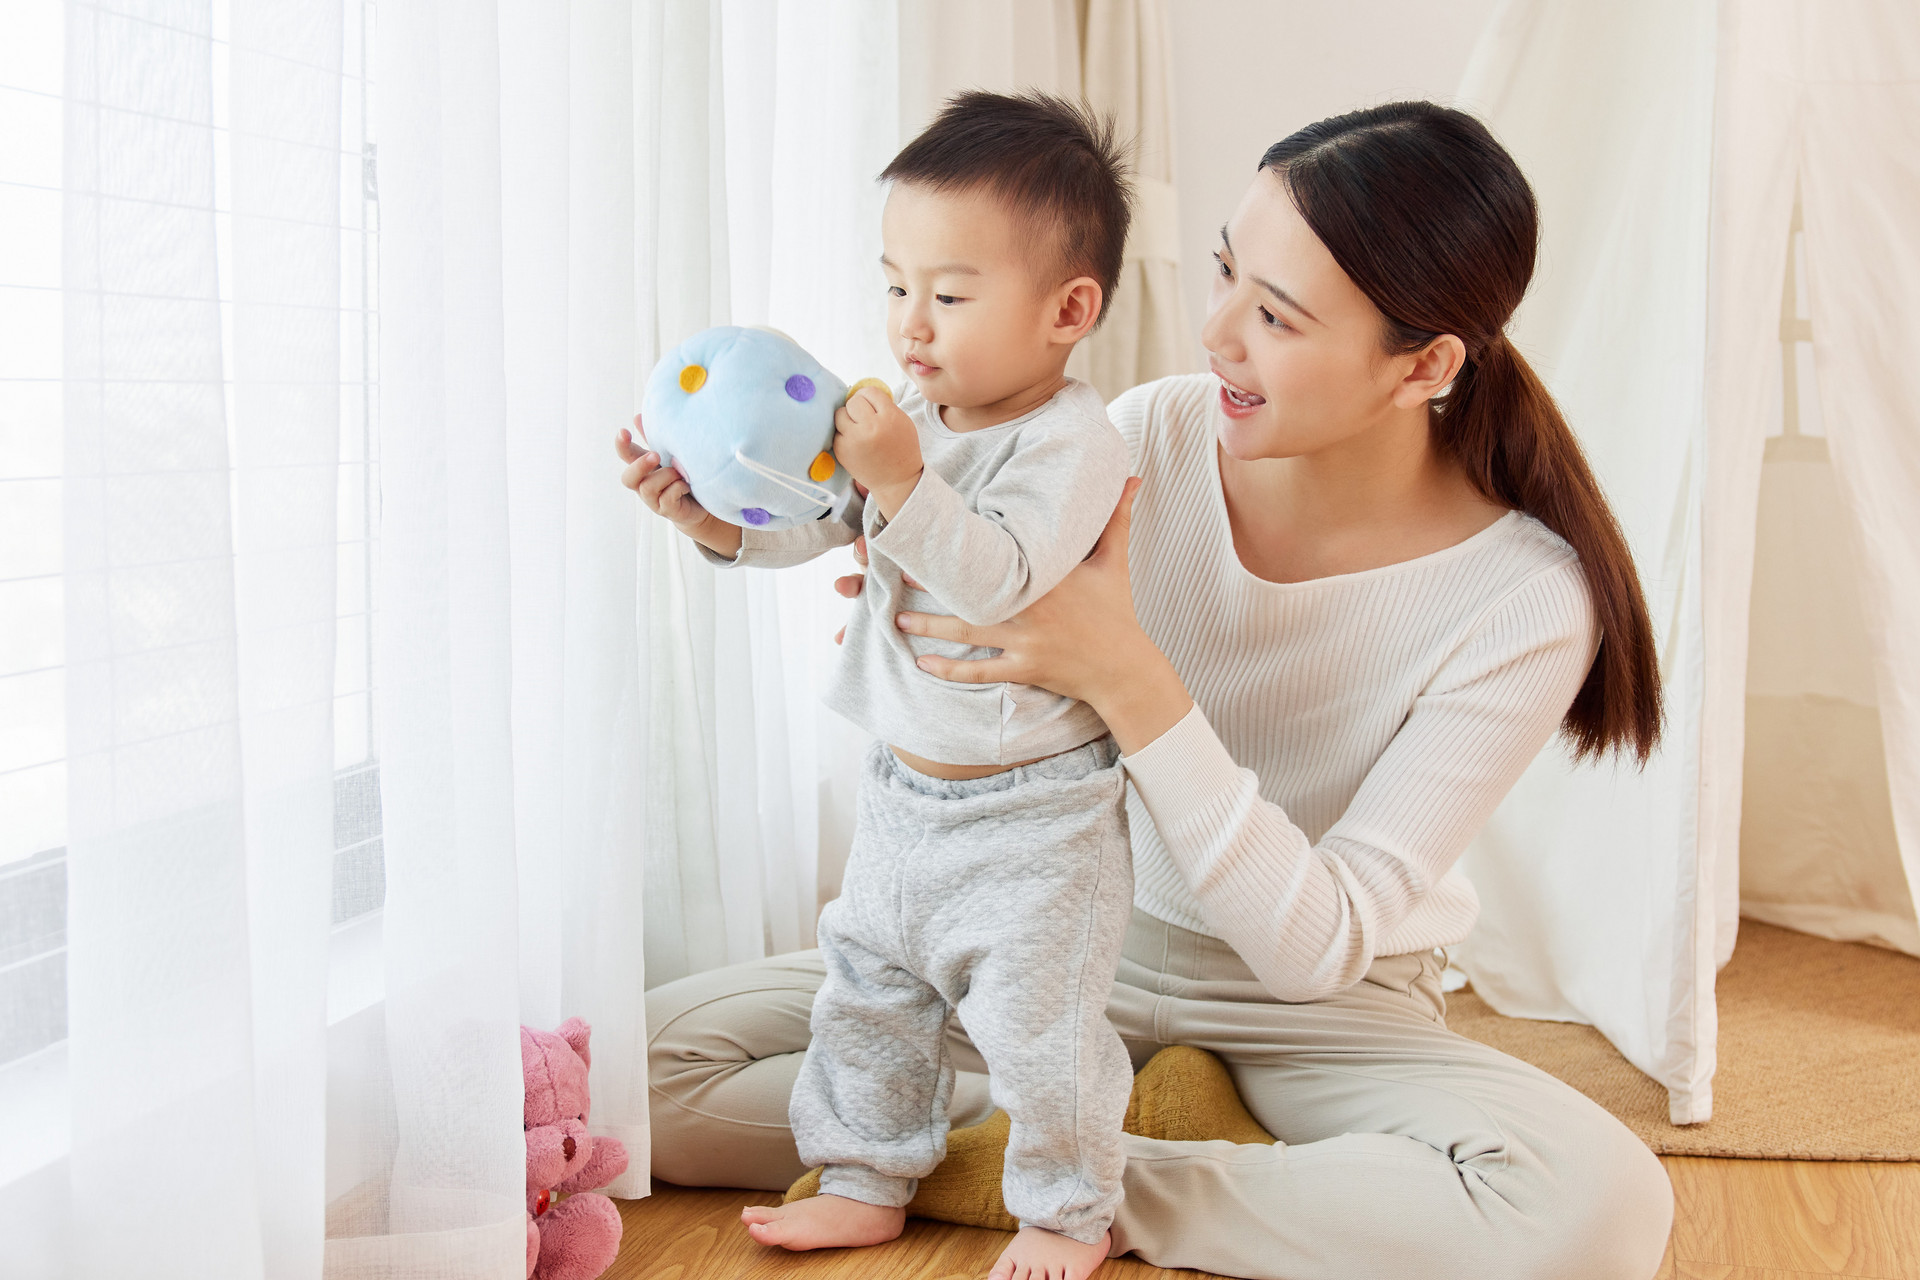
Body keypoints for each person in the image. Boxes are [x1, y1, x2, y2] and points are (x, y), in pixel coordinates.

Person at [626, 100, 1677, 1280]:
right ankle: (1067, 1136)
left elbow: (1314, 944)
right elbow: (932, 559)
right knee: (647, 1070)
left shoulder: (1524, 597)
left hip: (1312, 1015)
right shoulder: (1142, 436)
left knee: (1599, 1212)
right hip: (1059, 926)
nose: (1216, 329)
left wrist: (1126, 674)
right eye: (1227, 271)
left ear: (1423, 365)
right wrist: (813, 547)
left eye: (1275, 315)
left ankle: (1076, 1172)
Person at [623, 91, 1139, 1280]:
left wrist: (905, 481)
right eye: (896, 284)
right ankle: (863, 1173)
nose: (911, 323)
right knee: (869, 994)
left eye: (950, 294)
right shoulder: (914, 416)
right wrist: (709, 517)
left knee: (1038, 1031)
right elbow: (820, 523)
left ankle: (1070, 1204)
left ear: (1068, 311)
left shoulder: (1072, 441)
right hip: (904, 791)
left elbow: (1003, 577)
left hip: (1037, 820)